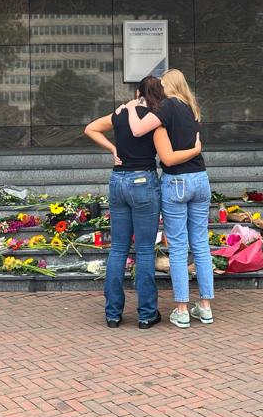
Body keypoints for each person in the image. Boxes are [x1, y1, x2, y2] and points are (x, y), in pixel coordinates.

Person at [84, 76, 200, 330]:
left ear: (137, 92)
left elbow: (90, 128)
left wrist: (113, 149)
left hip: (118, 181)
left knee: (118, 248)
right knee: (145, 249)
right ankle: (146, 314)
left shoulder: (120, 112)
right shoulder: (157, 116)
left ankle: (113, 313)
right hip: (144, 182)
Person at [123, 68, 212, 330]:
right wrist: (196, 150)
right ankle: (205, 307)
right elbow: (192, 145)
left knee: (177, 246)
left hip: (177, 182)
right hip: (201, 179)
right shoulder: (191, 109)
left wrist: (130, 107)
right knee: (201, 245)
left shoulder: (169, 106)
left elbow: (139, 130)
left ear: (169, 86)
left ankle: (183, 309)